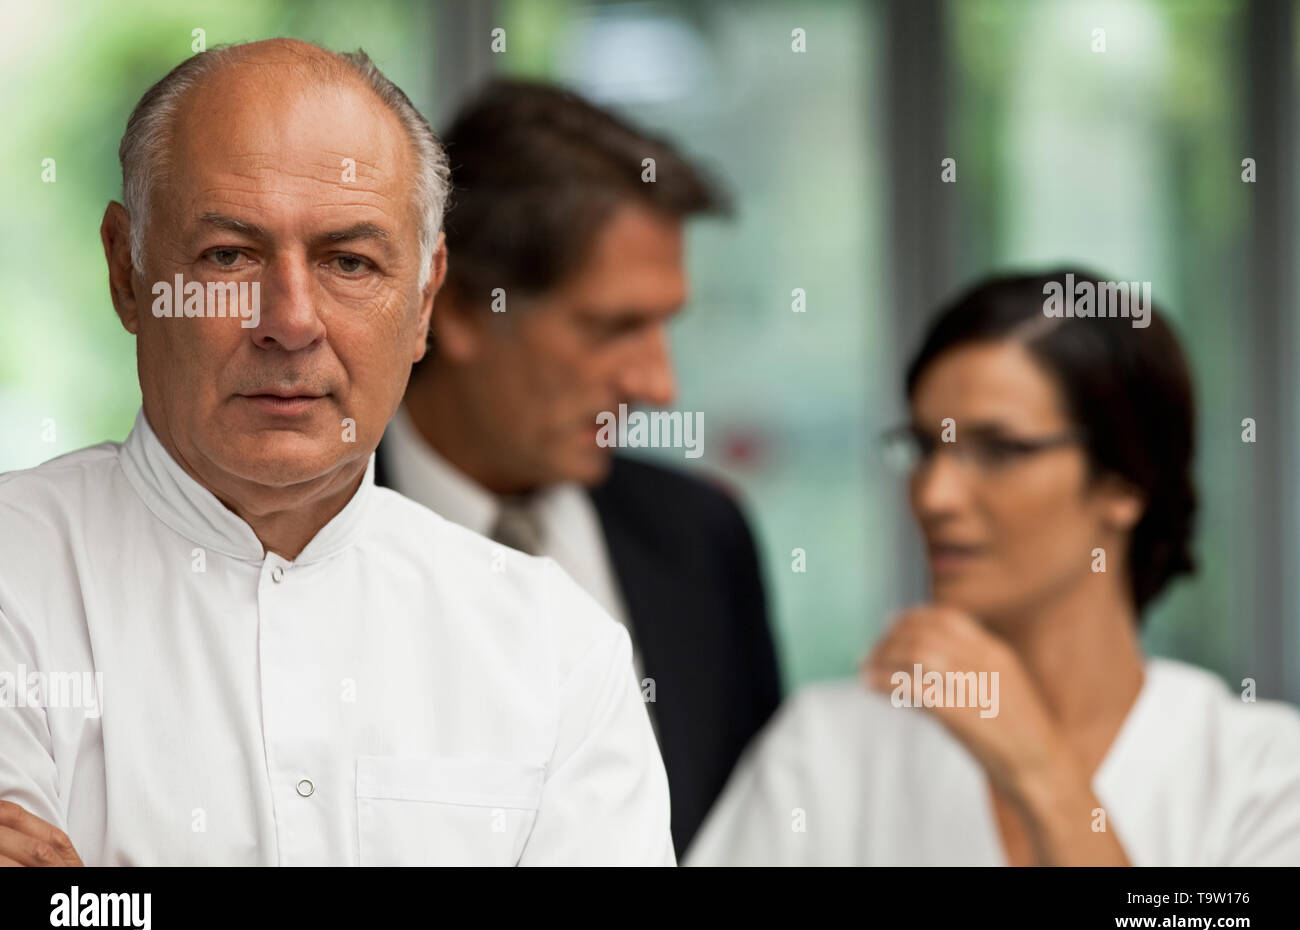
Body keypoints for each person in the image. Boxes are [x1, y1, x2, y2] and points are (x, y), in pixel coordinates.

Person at [0, 39, 673, 866]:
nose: (291, 320)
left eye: (349, 262)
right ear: (127, 272)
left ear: (424, 299)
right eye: (229, 256)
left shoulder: (557, 646)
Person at [686, 269, 1300, 866]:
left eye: (998, 450)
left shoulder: (1264, 776)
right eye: (925, 448)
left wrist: (1037, 769)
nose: (934, 495)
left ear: (1125, 482)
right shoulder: (825, 750)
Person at [379, 79, 781, 854]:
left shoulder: (701, 539)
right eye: (613, 328)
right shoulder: (295, 536)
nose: (658, 386)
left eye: (663, 326)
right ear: (458, 306)